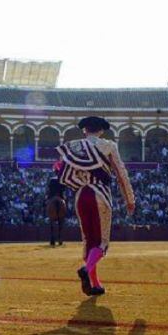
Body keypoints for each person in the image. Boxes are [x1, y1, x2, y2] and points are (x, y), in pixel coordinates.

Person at [56, 116, 135, 296]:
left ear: (84, 130)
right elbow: (121, 174)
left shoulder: (75, 147)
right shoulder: (108, 146)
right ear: (101, 131)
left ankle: (95, 284)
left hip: (81, 196)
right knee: (101, 243)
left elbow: (62, 171)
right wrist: (130, 200)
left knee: (89, 241)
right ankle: (86, 269)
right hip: (100, 195)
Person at [45, 174, 67, 246]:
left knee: (45, 203)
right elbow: (63, 189)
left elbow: (49, 189)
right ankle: (60, 240)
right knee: (66, 203)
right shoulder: (61, 178)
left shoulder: (51, 179)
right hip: (60, 196)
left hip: (52, 196)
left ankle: (52, 240)